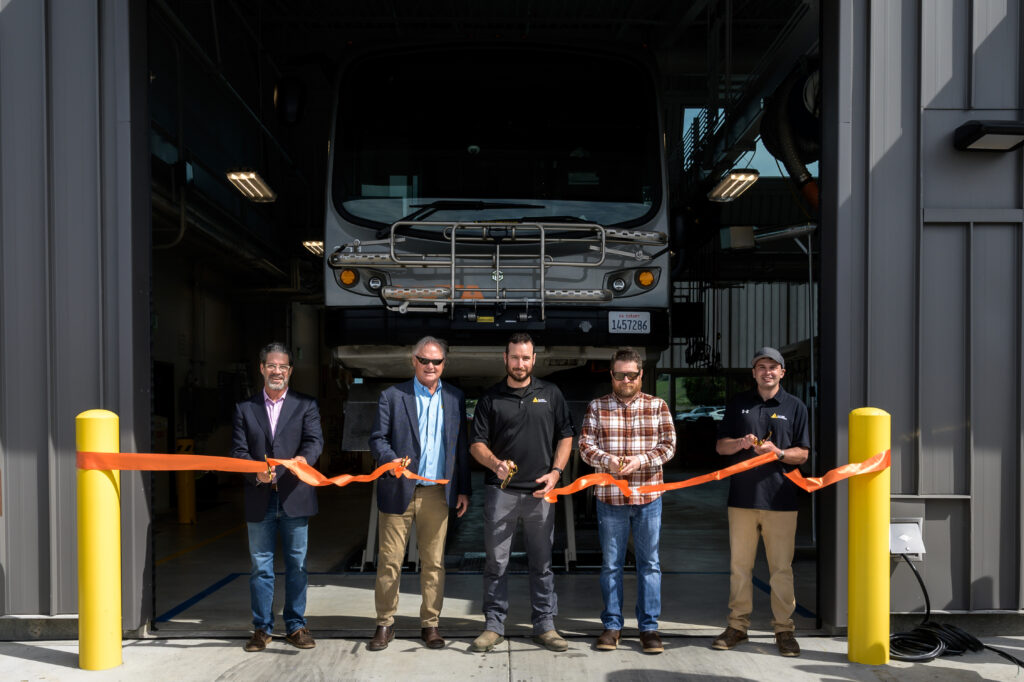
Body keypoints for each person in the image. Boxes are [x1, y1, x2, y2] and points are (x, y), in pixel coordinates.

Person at [469, 332, 575, 653]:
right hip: (500, 493)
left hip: (540, 494)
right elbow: (476, 444)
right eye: (514, 357)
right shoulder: (490, 399)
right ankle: (493, 625)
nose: (520, 363)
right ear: (505, 359)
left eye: (525, 357)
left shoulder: (551, 394)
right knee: (496, 563)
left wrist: (556, 472)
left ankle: (545, 624)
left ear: (533, 359)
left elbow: (566, 436)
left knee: (542, 562)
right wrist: (495, 463)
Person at [367, 336, 471, 651]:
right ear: (413, 360)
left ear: (444, 364)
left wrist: (464, 488)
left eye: (436, 361)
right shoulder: (392, 396)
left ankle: (431, 624)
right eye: (424, 360)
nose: (430, 366)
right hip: (399, 489)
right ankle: (385, 624)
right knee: (389, 561)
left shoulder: (454, 397)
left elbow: (459, 448)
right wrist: (390, 459)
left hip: (438, 493)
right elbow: (377, 439)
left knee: (434, 562)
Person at [711, 346, 809, 658]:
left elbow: (803, 454)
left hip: (781, 501)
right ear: (754, 373)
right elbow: (720, 447)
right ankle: (737, 626)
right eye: (761, 367)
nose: (767, 372)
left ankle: (784, 630)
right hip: (741, 499)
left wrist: (778, 453)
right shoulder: (739, 403)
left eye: (773, 367)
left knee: (781, 568)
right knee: (740, 566)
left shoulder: (796, 407)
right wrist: (739, 443)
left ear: (782, 372)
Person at [579, 348, 676, 654]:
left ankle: (649, 628)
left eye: (631, 375)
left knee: (649, 564)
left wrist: (641, 461)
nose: (625, 380)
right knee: (611, 565)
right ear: (611, 375)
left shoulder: (657, 406)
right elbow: (585, 446)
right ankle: (612, 626)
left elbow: (669, 445)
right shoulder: (597, 406)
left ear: (641, 375)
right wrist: (607, 461)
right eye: (619, 374)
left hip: (648, 497)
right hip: (610, 500)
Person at [231, 342, 324, 652]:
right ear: (261, 368)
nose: (277, 371)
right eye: (271, 365)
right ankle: (262, 628)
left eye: (282, 367)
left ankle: (296, 626)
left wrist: (298, 463)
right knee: (260, 567)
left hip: (295, 495)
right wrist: (255, 473)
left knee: (297, 564)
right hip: (259, 498)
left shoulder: (305, 405)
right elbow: (239, 452)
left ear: (290, 371)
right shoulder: (245, 409)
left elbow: (314, 443)